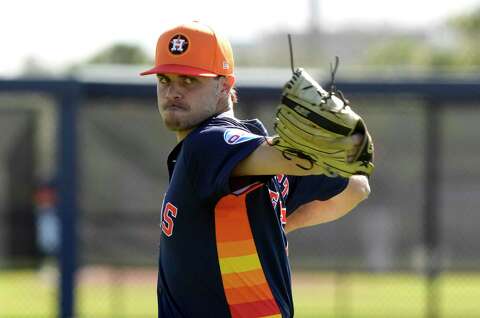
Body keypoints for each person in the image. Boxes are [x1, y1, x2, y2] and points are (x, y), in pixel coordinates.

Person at [140, 21, 370, 318]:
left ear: (225, 85)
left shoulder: (206, 144)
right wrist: (278, 226)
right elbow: (357, 186)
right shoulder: (238, 158)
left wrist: (326, 147)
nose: (172, 92)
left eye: (189, 80)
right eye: (165, 80)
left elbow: (279, 157)